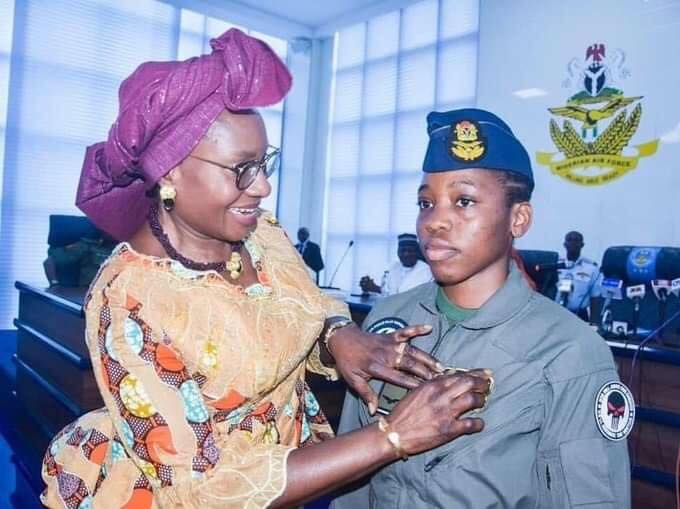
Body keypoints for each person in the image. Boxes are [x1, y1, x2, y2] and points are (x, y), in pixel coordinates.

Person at [40, 30, 493, 509]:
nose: (262, 188)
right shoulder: (129, 297)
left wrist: (340, 337)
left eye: (264, 164)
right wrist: (392, 436)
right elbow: (203, 488)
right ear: (169, 170)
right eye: (242, 169)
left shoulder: (261, 236)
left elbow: (305, 307)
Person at [332, 109, 633, 508]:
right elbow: (351, 482)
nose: (434, 221)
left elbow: (590, 500)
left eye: (464, 201)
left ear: (518, 218)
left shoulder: (568, 350)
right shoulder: (390, 320)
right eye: (425, 202)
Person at [360, 233, 432, 296]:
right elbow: (388, 293)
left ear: (417, 252)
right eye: (402, 250)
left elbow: (407, 296)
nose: (406, 254)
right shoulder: (393, 267)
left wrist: (376, 289)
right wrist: (370, 287)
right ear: (398, 252)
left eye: (410, 251)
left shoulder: (427, 271)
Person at [555, 230, 602, 321]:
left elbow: (595, 297)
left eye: (576, 240)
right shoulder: (555, 265)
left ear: (582, 245)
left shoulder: (591, 268)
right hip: (555, 312)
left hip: (579, 314)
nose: (573, 243)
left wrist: (594, 322)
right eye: (569, 240)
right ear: (565, 244)